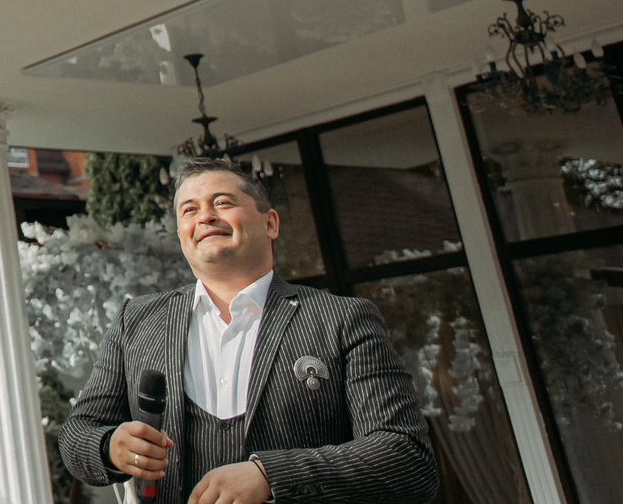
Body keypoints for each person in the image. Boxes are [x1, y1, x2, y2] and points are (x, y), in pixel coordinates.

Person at [60, 158, 437, 504]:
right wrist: (110, 446)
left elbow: (405, 455)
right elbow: (78, 435)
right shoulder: (136, 321)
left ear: (270, 222)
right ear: (181, 234)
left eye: (222, 203)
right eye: (189, 210)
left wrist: (270, 475)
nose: (204, 216)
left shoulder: (342, 319)